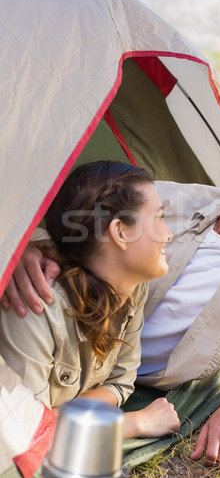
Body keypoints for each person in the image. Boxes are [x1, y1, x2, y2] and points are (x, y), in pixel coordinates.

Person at [1, 122, 220, 464]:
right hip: (67, 350)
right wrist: (26, 247)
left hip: (118, 381)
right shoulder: (170, 200)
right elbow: (78, 216)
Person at [0, 161, 180, 440]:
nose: (168, 232)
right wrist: (134, 423)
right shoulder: (38, 302)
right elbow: (25, 430)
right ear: (120, 232)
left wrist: (58, 416)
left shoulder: (133, 288)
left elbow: (119, 383)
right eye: (158, 218)